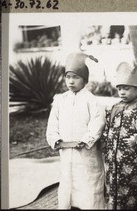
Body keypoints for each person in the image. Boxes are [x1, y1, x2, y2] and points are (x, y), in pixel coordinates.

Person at [46, 52, 106, 209]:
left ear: (85, 80)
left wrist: (86, 140)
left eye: (76, 77)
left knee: (88, 184)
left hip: (86, 152)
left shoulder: (91, 101)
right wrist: (55, 139)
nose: (71, 81)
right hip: (66, 152)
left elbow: (97, 122)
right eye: (68, 77)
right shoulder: (61, 100)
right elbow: (53, 123)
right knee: (68, 182)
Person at [100, 62, 137, 209]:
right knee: (114, 190)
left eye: (126, 88)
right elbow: (107, 128)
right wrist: (104, 143)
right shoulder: (113, 108)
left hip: (134, 163)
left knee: (134, 193)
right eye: (119, 89)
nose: (122, 92)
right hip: (113, 162)